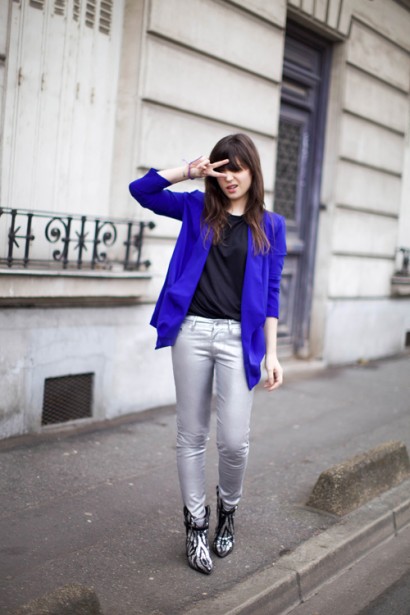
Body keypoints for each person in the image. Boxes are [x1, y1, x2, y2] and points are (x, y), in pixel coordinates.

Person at [129, 133, 286, 575]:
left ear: (252, 171)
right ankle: (195, 524)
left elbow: (271, 295)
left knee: (234, 441)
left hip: (239, 339)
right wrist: (189, 171)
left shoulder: (271, 225)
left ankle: (227, 510)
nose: (229, 177)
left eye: (237, 168)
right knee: (191, 435)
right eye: (222, 169)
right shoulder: (197, 209)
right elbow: (142, 191)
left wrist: (272, 354)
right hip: (193, 333)